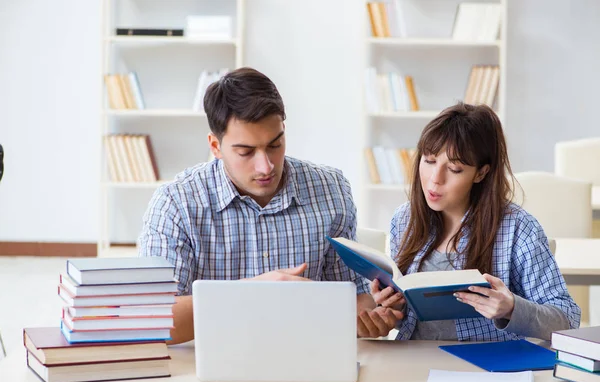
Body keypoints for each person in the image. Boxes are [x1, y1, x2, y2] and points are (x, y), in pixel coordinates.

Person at [138, 67, 403, 344]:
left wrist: (373, 315)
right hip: (212, 363)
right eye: (246, 152)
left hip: (308, 359)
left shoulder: (331, 189)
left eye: (275, 145)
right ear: (215, 146)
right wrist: (251, 293)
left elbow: (353, 297)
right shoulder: (176, 203)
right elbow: (153, 321)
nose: (266, 167)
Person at [372, 102, 580, 341]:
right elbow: (411, 319)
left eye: (454, 168)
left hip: (485, 368)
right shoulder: (404, 219)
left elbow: (568, 320)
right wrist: (392, 308)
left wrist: (512, 308)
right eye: (429, 161)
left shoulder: (518, 228)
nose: (435, 179)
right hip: (414, 362)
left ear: (481, 173)